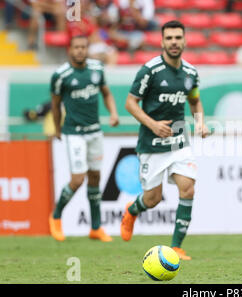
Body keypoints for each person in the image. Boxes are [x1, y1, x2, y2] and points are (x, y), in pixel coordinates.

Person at [120, 20, 209, 261]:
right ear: (161, 41)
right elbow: (130, 103)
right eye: (169, 38)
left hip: (179, 143)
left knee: (188, 188)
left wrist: (199, 121)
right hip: (151, 145)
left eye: (178, 38)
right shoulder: (149, 70)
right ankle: (132, 210)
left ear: (184, 41)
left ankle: (177, 247)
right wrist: (153, 124)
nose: (173, 42)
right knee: (152, 199)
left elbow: (194, 100)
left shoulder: (190, 73)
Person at [49, 35, 120, 242]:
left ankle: (96, 227)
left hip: (95, 131)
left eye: (83, 47)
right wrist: (57, 128)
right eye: (76, 47)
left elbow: (106, 93)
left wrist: (113, 113)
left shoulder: (97, 69)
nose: (80, 50)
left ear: (87, 49)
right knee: (78, 179)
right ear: (70, 49)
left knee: (95, 177)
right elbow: (55, 104)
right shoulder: (61, 75)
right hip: (74, 132)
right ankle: (55, 216)